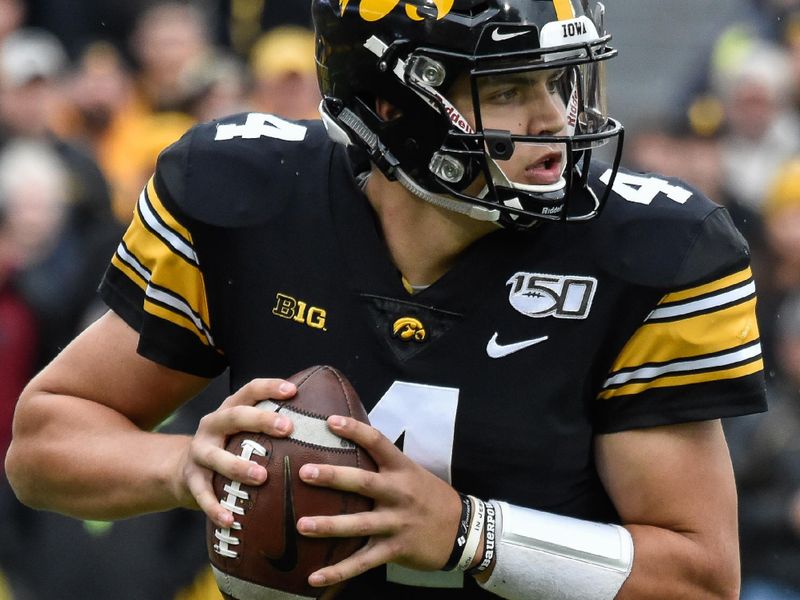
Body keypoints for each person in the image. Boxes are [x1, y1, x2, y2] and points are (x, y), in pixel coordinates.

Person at [6, 1, 767, 599]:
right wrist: (181, 468)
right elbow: (41, 448)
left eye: (558, 81)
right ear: (394, 107)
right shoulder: (248, 198)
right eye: (507, 88)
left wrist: (471, 536)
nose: (555, 121)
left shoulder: (649, 252)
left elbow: (702, 579)